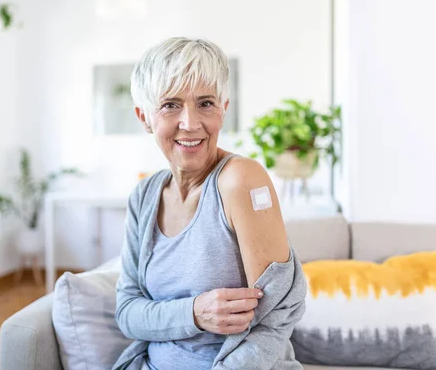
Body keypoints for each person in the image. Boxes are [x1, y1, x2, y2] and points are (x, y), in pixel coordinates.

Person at [113, 37, 307, 370]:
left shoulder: (240, 180)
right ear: (144, 117)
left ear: (223, 109)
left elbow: (276, 317)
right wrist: (195, 313)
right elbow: (127, 312)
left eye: (205, 103)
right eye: (171, 104)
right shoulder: (144, 197)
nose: (190, 123)